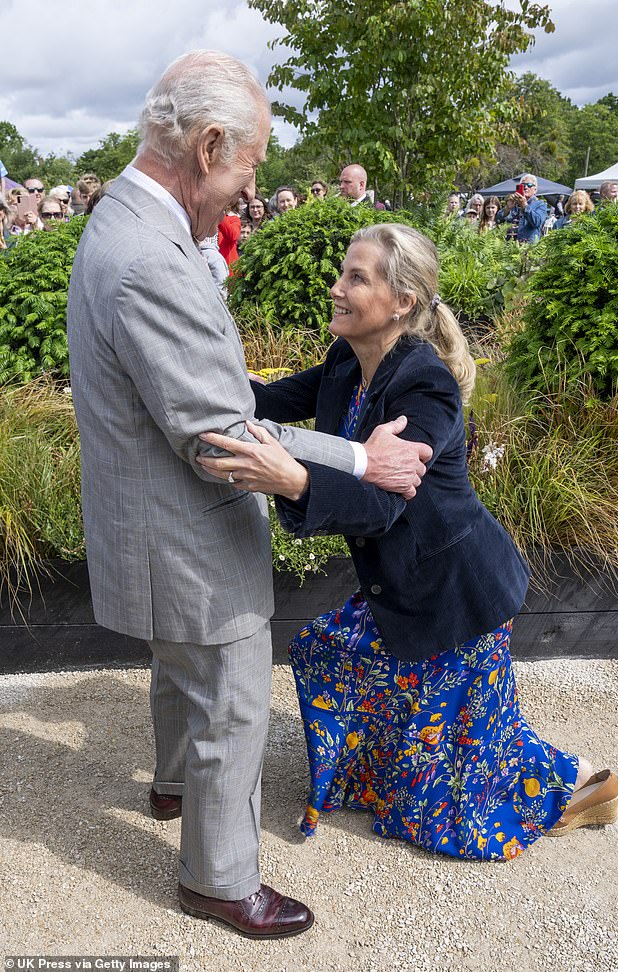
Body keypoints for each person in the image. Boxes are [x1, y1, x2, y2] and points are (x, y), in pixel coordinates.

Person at [66, 49, 431, 940]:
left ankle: (171, 784)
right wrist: (356, 459)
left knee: (176, 668)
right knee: (227, 692)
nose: (251, 183)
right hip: (186, 529)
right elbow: (223, 436)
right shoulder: (149, 257)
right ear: (208, 145)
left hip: (146, 516)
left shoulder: (124, 224)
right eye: (252, 162)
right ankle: (218, 878)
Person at [198, 222, 618, 861]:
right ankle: (383, 774)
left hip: (455, 594)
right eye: (343, 272)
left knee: (455, 797)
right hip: (405, 584)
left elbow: (380, 506)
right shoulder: (348, 362)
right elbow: (267, 400)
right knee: (328, 654)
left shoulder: (425, 387)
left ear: (403, 302)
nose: (336, 287)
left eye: (356, 278)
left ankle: (585, 785)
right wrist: (192, 388)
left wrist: (296, 481)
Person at [496, 173, 547, 242]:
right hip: (509, 247)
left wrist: (525, 206)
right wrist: (507, 208)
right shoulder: (514, 204)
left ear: (535, 190)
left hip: (528, 248)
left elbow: (536, 222)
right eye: (523, 185)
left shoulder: (540, 204)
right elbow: (498, 220)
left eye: (529, 185)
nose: (526, 187)